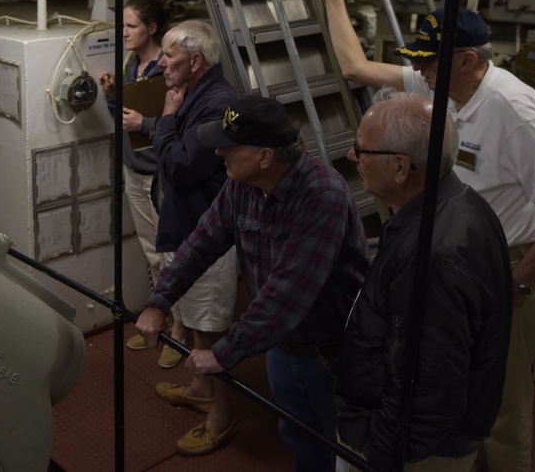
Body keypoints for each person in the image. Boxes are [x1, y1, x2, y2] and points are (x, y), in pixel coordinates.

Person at [299, 0, 535, 471]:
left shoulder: (515, 111)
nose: (421, 72)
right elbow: (355, 67)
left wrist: (517, 287)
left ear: (467, 60)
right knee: (453, 392)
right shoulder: (444, 83)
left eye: (430, 62)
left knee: (499, 405)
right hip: (449, 261)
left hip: (507, 266)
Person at [138, 95, 370, 470]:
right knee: (298, 435)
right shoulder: (243, 184)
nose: (217, 152)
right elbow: (201, 242)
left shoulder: (321, 196)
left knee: (341, 451)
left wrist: (223, 352)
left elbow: (287, 294)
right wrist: (159, 301)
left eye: (229, 146)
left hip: (332, 357)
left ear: (265, 156)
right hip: (283, 347)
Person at [337, 90, 512, 471]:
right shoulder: (460, 204)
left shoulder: (432, 252)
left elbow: (431, 386)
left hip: (416, 453)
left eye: (362, 149)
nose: (353, 157)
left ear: (401, 167)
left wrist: (380, 451)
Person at [144, 20, 241, 455]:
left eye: (171, 57)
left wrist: (165, 118)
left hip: (207, 235)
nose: (163, 64)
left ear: (196, 61)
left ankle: (221, 419)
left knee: (209, 333)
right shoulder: (197, 94)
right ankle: (202, 390)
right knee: (197, 321)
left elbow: (182, 168)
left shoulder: (216, 104)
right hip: (188, 227)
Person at [97, 0, 183, 367]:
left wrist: (144, 124)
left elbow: (172, 124)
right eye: (122, 25)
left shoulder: (166, 72)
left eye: (131, 26)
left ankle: (180, 330)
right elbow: (126, 117)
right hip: (134, 168)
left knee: (168, 254)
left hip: (156, 174)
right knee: (151, 253)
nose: (124, 32)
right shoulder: (133, 66)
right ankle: (161, 317)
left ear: (151, 28)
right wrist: (114, 94)